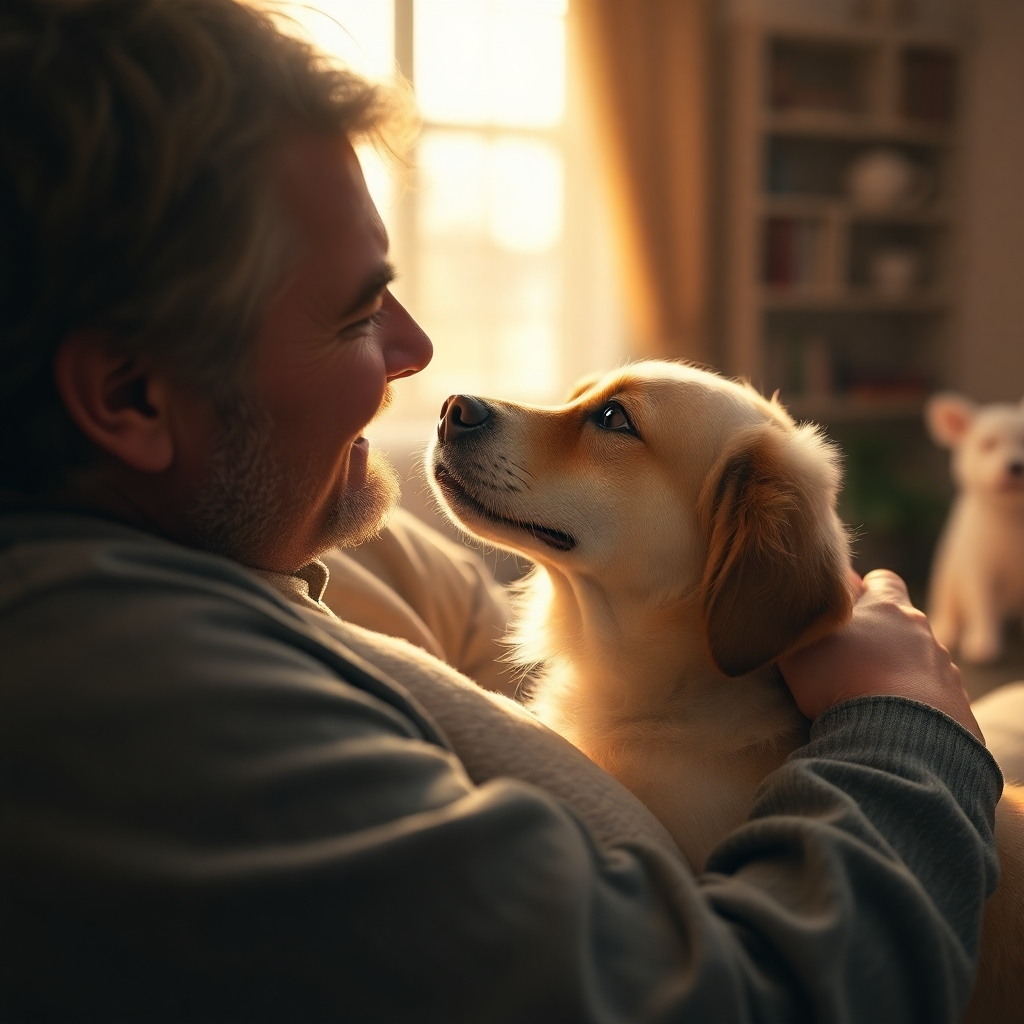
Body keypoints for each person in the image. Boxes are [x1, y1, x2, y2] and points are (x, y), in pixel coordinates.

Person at [0, 1, 1002, 1020]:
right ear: (131, 396)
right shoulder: (156, 714)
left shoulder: (271, 534)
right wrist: (906, 722)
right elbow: (754, 1003)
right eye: (354, 313)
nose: (415, 351)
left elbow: (513, 643)